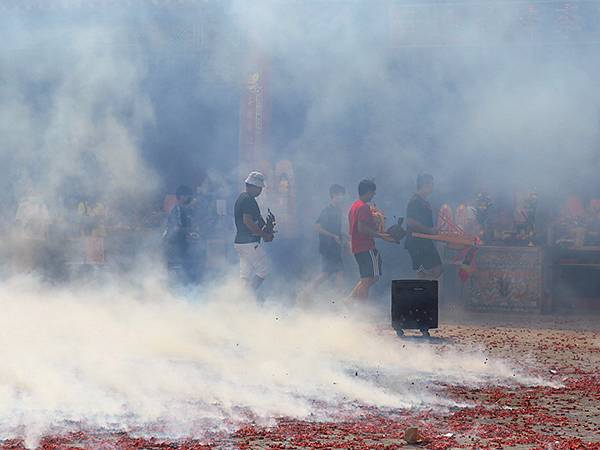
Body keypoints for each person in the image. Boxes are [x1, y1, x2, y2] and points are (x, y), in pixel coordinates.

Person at [404, 173, 443, 337]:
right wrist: (429, 231)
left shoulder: (424, 202)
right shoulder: (414, 201)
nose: (433, 187)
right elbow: (410, 222)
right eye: (431, 184)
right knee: (425, 274)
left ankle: (420, 307)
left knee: (436, 270)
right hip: (418, 243)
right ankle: (417, 310)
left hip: (426, 242)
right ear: (425, 185)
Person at [348, 179, 395, 300]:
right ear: (368, 192)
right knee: (370, 278)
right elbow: (362, 228)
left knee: (368, 278)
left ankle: (349, 301)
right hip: (366, 246)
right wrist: (382, 236)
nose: (374, 195)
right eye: (373, 192)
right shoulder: (363, 207)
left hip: (357, 246)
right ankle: (360, 308)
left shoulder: (354, 206)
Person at [234, 171, 274, 295]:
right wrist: (264, 235)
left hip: (240, 243)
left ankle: (238, 300)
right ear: (252, 186)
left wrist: (266, 228)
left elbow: (253, 220)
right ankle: (248, 297)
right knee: (263, 269)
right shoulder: (247, 200)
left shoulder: (243, 198)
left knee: (245, 275)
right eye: (259, 188)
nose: (260, 191)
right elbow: (248, 221)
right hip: (249, 243)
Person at [308, 184, 347, 296]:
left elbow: (335, 230)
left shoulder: (338, 210)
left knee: (338, 273)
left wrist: (342, 236)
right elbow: (317, 227)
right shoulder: (328, 210)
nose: (342, 197)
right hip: (328, 248)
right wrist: (333, 236)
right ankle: (306, 294)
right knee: (326, 273)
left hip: (335, 247)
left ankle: (337, 298)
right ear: (334, 195)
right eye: (340, 194)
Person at [163, 185, 195, 284]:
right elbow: (176, 229)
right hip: (174, 246)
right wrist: (191, 229)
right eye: (188, 196)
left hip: (180, 244)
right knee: (178, 272)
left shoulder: (185, 210)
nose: (190, 198)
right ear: (181, 197)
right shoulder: (177, 209)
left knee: (184, 270)